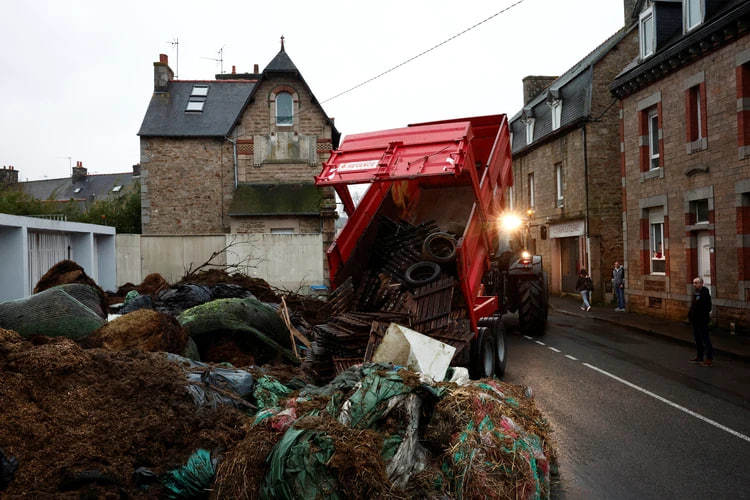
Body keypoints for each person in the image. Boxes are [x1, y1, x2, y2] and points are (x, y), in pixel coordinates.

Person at [688, 277, 713, 366]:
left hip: (702, 321)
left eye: (697, 283)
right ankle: (699, 357)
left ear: (701, 283)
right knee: (697, 340)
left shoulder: (705, 293)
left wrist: (702, 316)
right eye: (694, 283)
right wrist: (690, 316)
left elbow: (708, 307)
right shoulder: (695, 293)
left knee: (705, 340)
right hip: (695, 321)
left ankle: (709, 359)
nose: (695, 285)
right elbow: (693, 306)